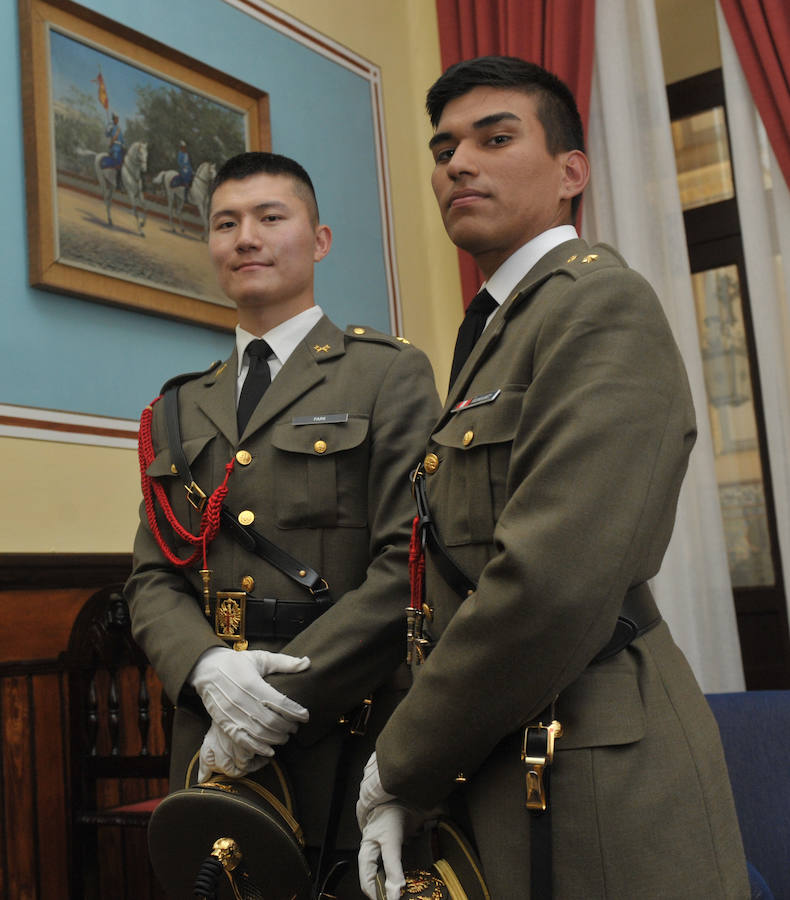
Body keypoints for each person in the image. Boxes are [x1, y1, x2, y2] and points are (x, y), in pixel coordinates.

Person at [356, 56, 749, 900]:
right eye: (444, 147)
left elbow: (551, 581)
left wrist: (402, 760)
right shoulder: (502, 327)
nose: (458, 162)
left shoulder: (597, 305)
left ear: (572, 172)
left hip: (588, 770)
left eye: (496, 138)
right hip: (496, 745)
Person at [125, 150, 440, 897]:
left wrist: (276, 702)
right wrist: (206, 671)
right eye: (226, 223)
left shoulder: (387, 373)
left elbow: (411, 564)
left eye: (271, 218)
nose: (246, 238)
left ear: (319, 239)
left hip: (348, 723)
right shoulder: (178, 405)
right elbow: (151, 576)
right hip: (213, 727)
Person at [101, 112, 124, 188]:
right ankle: (111, 180)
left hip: (120, 146)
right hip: (114, 147)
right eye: (116, 119)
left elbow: (122, 139)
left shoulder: (119, 128)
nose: (117, 120)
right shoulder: (111, 126)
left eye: (118, 119)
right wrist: (109, 129)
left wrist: (123, 144)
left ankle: (121, 180)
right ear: (113, 119)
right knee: (116, 161)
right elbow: (106, 134)